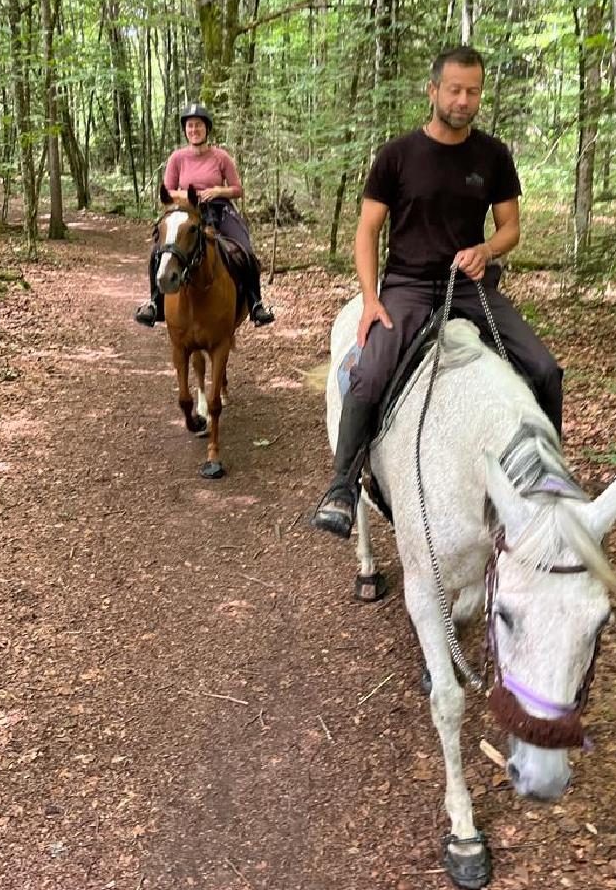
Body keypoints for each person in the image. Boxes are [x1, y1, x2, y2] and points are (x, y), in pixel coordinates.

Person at [311, 45, 563, 539]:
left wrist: (487, 250)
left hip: (468, 284)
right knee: (369, 375)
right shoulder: (397, 155)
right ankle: (342, 485)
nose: (464, 100)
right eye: (454, 90)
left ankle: (550, 481)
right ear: (433, 91)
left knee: (545, 369)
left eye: (473, 91)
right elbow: (366, 232)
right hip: (407, 285)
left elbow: (510, 227)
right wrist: (370, 298)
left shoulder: (493, 156)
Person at [135, 102, 274, 328]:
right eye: (190, 126)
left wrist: (218, 190)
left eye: (198, 125)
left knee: (245, 250)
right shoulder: (177, 158)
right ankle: (154, 303)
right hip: (185, 211)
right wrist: (190, 195)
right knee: (158, 252)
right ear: (185, 130)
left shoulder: (221, 157)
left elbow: (238, 189)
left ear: (206, 128)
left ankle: (256, 304)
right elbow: (167, 191)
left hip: (219, 208)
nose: (194, 130)